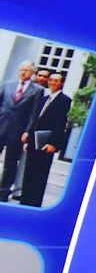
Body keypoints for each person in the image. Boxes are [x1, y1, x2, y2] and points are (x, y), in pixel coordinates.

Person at [17, 72, 70, 207]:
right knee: (29, 172)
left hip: (47, 143)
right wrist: (28, 139)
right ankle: (25, 201)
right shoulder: (44, 98)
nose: (52, 82)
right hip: (34, 141)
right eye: (51, 80)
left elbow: (60, 123)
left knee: (40, 174)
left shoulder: (64, 100)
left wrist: (53, 143)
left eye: (56, 81)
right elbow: (35, 120)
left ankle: (34, 203)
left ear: (62, 83)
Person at [0, 65, 44, 201]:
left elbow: (34, 114)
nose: (23, 72)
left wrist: (27, 132)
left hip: (18, 131)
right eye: (21, 70)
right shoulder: (7, 85)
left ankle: (3, 192)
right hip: (1, 125)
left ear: (32, 73)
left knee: (11, 163)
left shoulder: (37, 90)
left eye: (26, 70)